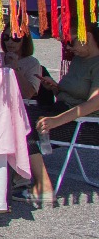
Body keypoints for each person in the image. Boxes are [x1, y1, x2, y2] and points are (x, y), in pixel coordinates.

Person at [30, 21, 99, 205]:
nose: (68, 47)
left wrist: (56, 121)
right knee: (19, 115)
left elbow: (94, 103)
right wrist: (55, 88)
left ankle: (43, 186)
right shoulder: (79, 60)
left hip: (86, 125)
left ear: (88, 37)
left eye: (71, 42)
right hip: (66, 112)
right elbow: (73, 93)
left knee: (26, 125)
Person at [1, 29, 53, 205]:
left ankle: (24, 179)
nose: (10, 42)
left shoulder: (32, 63)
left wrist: (15, 68)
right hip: (5, 108)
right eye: (6, 38)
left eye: (16, 38)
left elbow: (29, 93)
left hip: (27, 109)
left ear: (25, 41)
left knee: (21, 126)